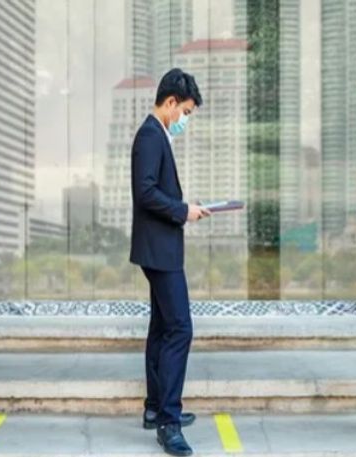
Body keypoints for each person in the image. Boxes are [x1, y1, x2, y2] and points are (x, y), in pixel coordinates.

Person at [130, 68, 210, 457]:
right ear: (171, 102)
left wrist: (185, 211)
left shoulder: (157, 133)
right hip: (159, 252)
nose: (185, 120)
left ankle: (153, 408)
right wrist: (183, 210)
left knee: (162, 327)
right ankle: (168, 421)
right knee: (180, 329)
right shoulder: (149, 135)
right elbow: (145, 192)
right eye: (187, 112)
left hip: (160, 248)